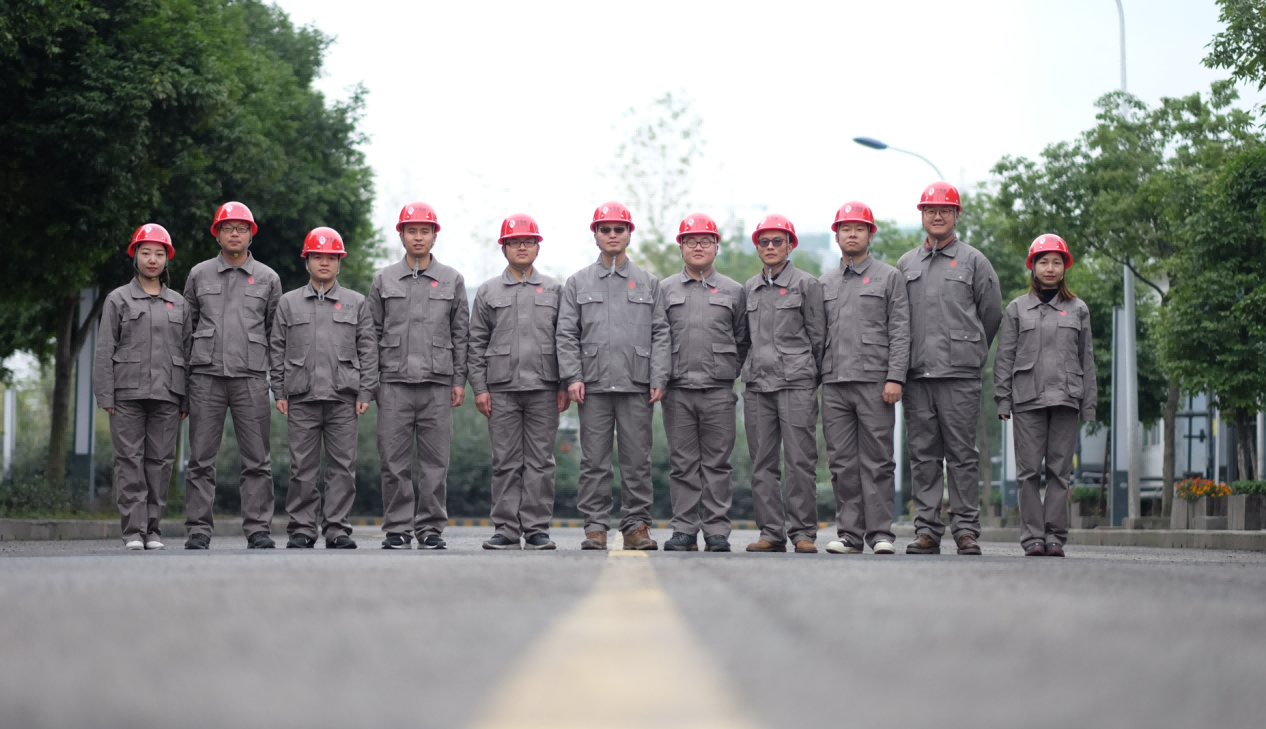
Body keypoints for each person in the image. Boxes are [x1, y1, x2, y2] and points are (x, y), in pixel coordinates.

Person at [556, 201, 670, 551]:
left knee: (637, 461)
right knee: (594, 462)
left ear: (629, 233)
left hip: (637, 385)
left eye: (619, 229)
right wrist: (572, 376)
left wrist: (658, 377)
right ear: (595, 235)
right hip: (592, 386)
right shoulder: (577, 282)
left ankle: (636, 527)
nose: (612, 235)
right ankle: (595, 528)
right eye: (605, 229)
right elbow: (566, 333)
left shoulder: (648, 282)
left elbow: (661, 332)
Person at [897, 182, 1002, 555]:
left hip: (959, 375)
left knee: (962, 454)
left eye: (945, 210)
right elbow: (898, 318)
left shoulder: (975, 261)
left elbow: (991, 314)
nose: (937, 216)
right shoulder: (906, 264)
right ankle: (927, 530)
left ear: (956, 215)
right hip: (917, 376)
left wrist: (969, 350)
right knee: (923, 455)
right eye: (930, 210)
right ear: (922, 215)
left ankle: (966, 531)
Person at [370, 202, 469, 550]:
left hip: (437, 384)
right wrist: (371, 383)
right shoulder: (383, 279)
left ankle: (430, 528)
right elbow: (370, 334)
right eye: (411, 230)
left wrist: (459, 381)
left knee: (435, 464)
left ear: (434, 236)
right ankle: (397, 528)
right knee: (393, 462)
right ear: (401, 235)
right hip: (393, 384)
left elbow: (461, 334)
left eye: (424, 231)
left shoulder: (453, 280)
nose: (418, 237)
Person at [183, 202, 283, 550]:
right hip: (206, 378)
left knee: (257, 460)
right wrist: (185, 383)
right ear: (218, 234)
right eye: (228, 228)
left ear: (251, 234)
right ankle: (198, 529)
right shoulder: (199, 274)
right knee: (200, 459)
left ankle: (258, 529)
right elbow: (186, 328)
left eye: (242, 228)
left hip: (251, 378)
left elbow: (275, 334)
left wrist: (277, 383)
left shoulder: (269, 278)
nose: (235, 234)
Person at [269, 228, 376, 550]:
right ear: (307, 261)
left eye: (331, 257)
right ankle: (302, 529)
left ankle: (337, 529)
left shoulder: (357, 303)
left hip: (344, 398)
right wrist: (279, 391)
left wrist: (366, 392)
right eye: (318, 257)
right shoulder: (288, 303)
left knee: (343, 468)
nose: (324, 263)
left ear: (339, 262)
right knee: (302, 468)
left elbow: (368, 349)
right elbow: (277, 348)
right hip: (301, 397)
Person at [468, 214, 568, 551]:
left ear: (538, 247)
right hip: (501, 389)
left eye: (528, 241)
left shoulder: (554, 289)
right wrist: (480, 388)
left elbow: (565, 339)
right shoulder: (488, 291)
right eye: (514, 242)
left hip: (544, 388)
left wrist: (564, 384)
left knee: (541, 462)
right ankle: (507, 529)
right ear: (504, 248)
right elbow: (476, 343)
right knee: (506, 462)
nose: (521, 247)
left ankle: (537, 528)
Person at [994, 235, 1095, 558]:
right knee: (1028, 472)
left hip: (1066, 398)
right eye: (1043, 262)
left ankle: (1055, 537)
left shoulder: (1078, 309)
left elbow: (1087, 359)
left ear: (1065, 267)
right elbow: (1005, 358)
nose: (1050, 268)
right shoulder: (1016, 309)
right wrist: (1003, 399)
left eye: (1056, 262)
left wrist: (1089, 405)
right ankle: (1032, 537)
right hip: (1027, 400)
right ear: (1033, 267)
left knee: (1059, 473)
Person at [819, 202, 910, 556]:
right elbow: (816, 335)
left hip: (876, 383)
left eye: (859, 228)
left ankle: (881, 533)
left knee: (878, 460)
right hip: (834, 383)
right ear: (837, 236)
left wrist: (895, 377)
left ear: (870, 235)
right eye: (846, 229)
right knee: (842, 463)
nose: (852, 234)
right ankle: (849, 535)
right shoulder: (824, 283)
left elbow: (900, 330)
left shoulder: (889, 277)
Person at [94, 224, 190, 550]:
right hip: (127, 393)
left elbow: (187, 351)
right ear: (135, 256)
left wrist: (186, 399)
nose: (152, 259)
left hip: (168, 393)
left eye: (159, 254)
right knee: (129, 460)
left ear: (167, 259)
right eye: (145, 252)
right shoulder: (118, 299)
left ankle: (153, 530)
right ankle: (133, 531)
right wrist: (105, 393)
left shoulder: (179, 303)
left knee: (160, 462)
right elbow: (105, 348)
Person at [659, 214, 748, 553]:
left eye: (706, 241)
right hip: (677, 390)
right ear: (681, 246)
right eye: (691, 241)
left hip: (718, 391)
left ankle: (716, 531)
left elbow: (742, 339)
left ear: (716, 247)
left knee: (717, 465)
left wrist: (727, 370)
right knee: (682, 465)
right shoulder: (664, 289)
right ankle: (684, 529)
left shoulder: (734, 291)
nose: (698, 247)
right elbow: (658, 337)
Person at [741, 214, 826, 554]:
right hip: (757, 386)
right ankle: (771, 533)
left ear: (790, 246)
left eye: (778, 241)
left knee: (800, 461)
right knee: (762, 463)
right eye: (764, 242)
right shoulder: (749, 288)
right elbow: (743, 338)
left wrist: (807, 375)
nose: (771, 247)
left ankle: (803, 533)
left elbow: (819, 338)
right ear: (757, 247)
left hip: (796, 384)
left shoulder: (807, 284)